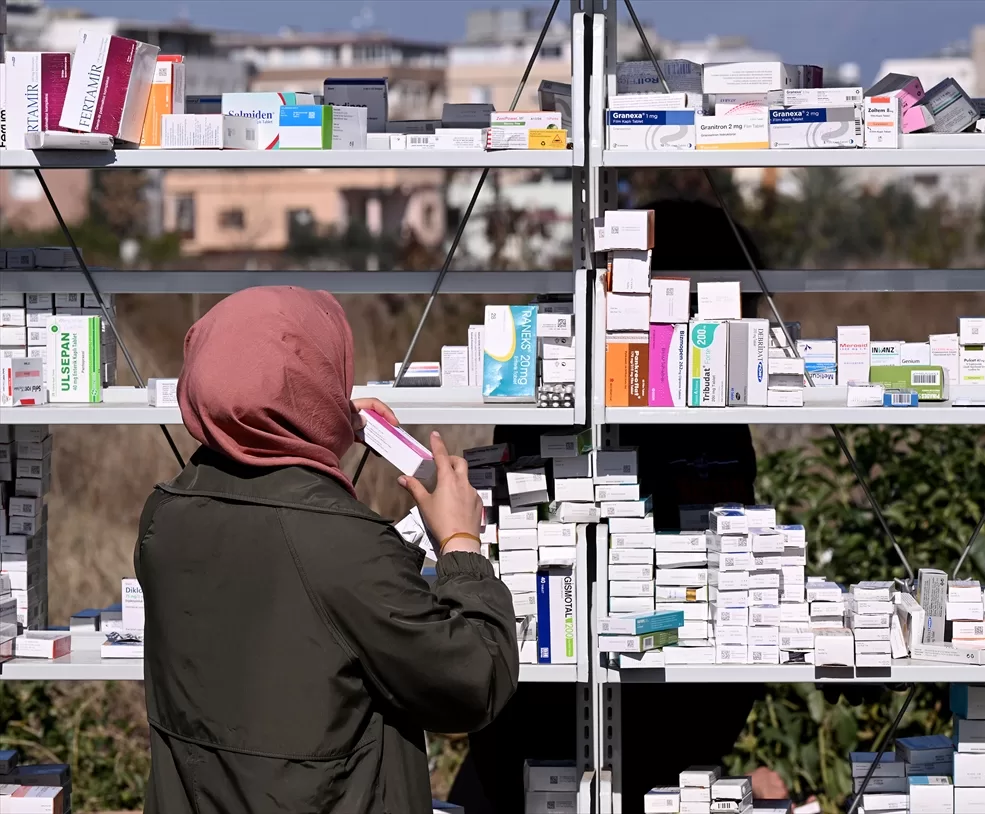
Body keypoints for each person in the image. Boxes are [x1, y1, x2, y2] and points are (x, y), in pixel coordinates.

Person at [448, 200, 794, 814]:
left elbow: (728, 540)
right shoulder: (572, 388)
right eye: (738, 311)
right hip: (556, 710)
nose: (747, 332)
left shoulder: (709, 404)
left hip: (657, 711)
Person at [135, 286, 518, 814]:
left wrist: (321, 425)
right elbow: (473, 683)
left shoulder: (164, 516)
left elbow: (300, 603)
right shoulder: (342, 541)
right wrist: (461, 544)